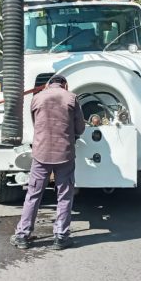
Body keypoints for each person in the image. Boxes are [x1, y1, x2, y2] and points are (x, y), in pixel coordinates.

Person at [10, 75, 85, 250]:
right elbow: (80, 127)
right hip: (64, 153)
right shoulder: (72, 98)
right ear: (65, 85)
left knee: (33, 194)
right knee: (64, 195)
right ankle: (61, 236)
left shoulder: (36, 98)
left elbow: (36, 124)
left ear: (47, 85)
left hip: (41, 153)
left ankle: (22, 235)